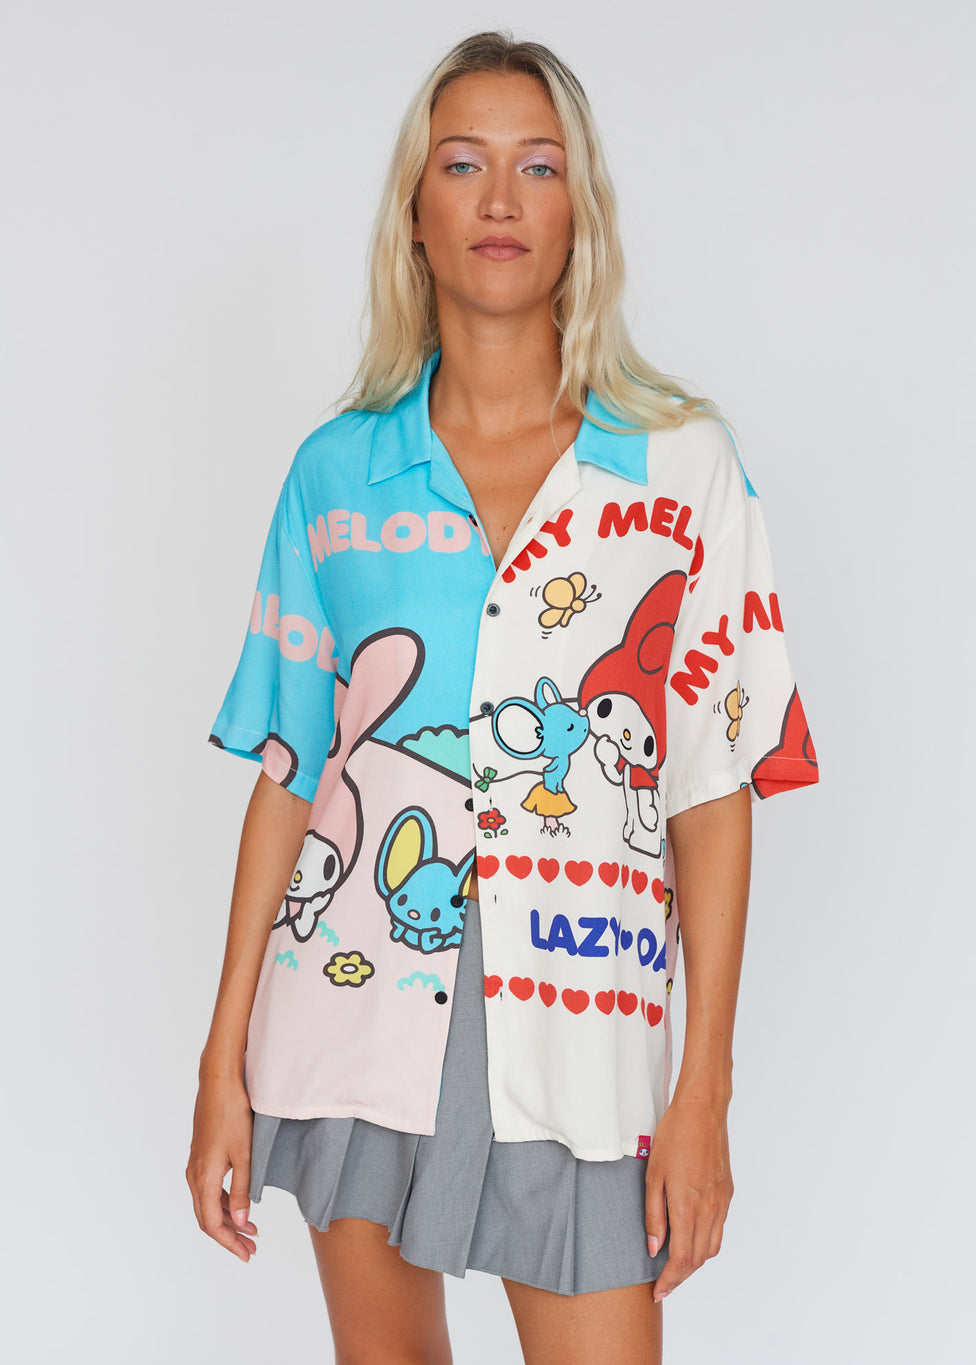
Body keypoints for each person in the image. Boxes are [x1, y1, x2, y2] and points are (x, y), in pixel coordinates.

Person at [187, 30, 819, 1365]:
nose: (499, 200)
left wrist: (703, 1088)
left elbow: (711, 788)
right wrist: (219, 1060)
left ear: (580, 209)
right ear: (415, 212)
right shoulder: (337, 473)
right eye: (462, 163)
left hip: (585, 1029)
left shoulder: (680, 469)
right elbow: (291, 769)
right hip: (355, 1008)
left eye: (538, 166)